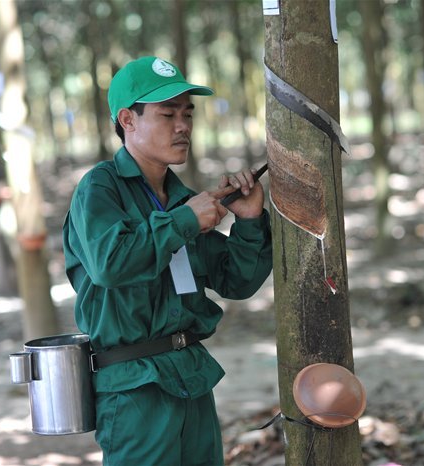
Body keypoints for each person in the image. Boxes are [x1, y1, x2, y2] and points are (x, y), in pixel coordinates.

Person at [62, 56, 273, 466]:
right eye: (167, 114)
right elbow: (110, 263)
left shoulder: (182, 198)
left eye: (187, 114)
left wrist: (248, 222)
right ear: (128, 120)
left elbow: (236, 282)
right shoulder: (100, 188)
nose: (183, 126)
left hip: (190, 376)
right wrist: (184, 220)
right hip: (134, 387)